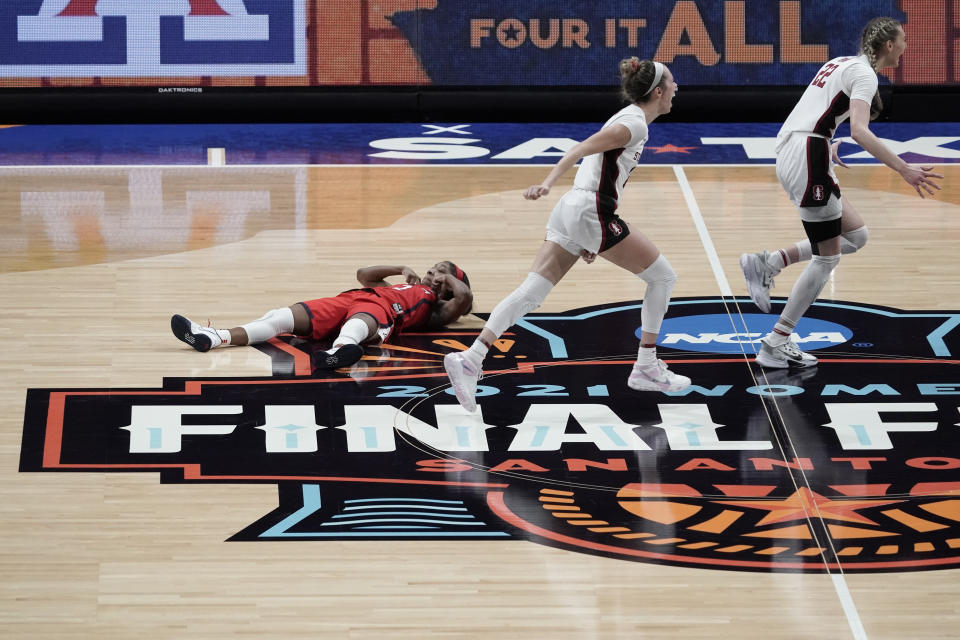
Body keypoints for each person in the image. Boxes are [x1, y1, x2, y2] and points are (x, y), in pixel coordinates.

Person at [443, 57, 691, 412]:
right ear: (657, 91)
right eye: (672, 82)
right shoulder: (633, 124)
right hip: (589, 210)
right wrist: (546, 184)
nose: (677, 88)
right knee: (663, 277)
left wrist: (590, 237)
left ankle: (471, 359)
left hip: (576, 211)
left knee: (531, 292)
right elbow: (578, 148)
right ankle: (647, 366)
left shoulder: (632, 121)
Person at [739, 16, 942, 369]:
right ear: (889, 46)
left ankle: (769, 262)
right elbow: (861, 131)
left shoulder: (840, 62)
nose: (907, 47)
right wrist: (903, 168)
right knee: (827, 258)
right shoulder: (865, 74)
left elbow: (815, 111)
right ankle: (776, 341)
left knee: (856, 235)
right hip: (807, 154)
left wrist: (826, 141)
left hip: (800, 147)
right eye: (904, 40)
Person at [171, 262, 473, 369]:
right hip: (350, 298)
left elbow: (465, 298)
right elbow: (363, 274)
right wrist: (399, 268)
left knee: (359, 322)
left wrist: (446, 282)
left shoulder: (435, 308)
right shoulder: (402, 285)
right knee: (279, 317)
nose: (434, 273)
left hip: (382, 313)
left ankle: (337, 352)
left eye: (442, 273)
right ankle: (214, 337)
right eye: (434, 268)